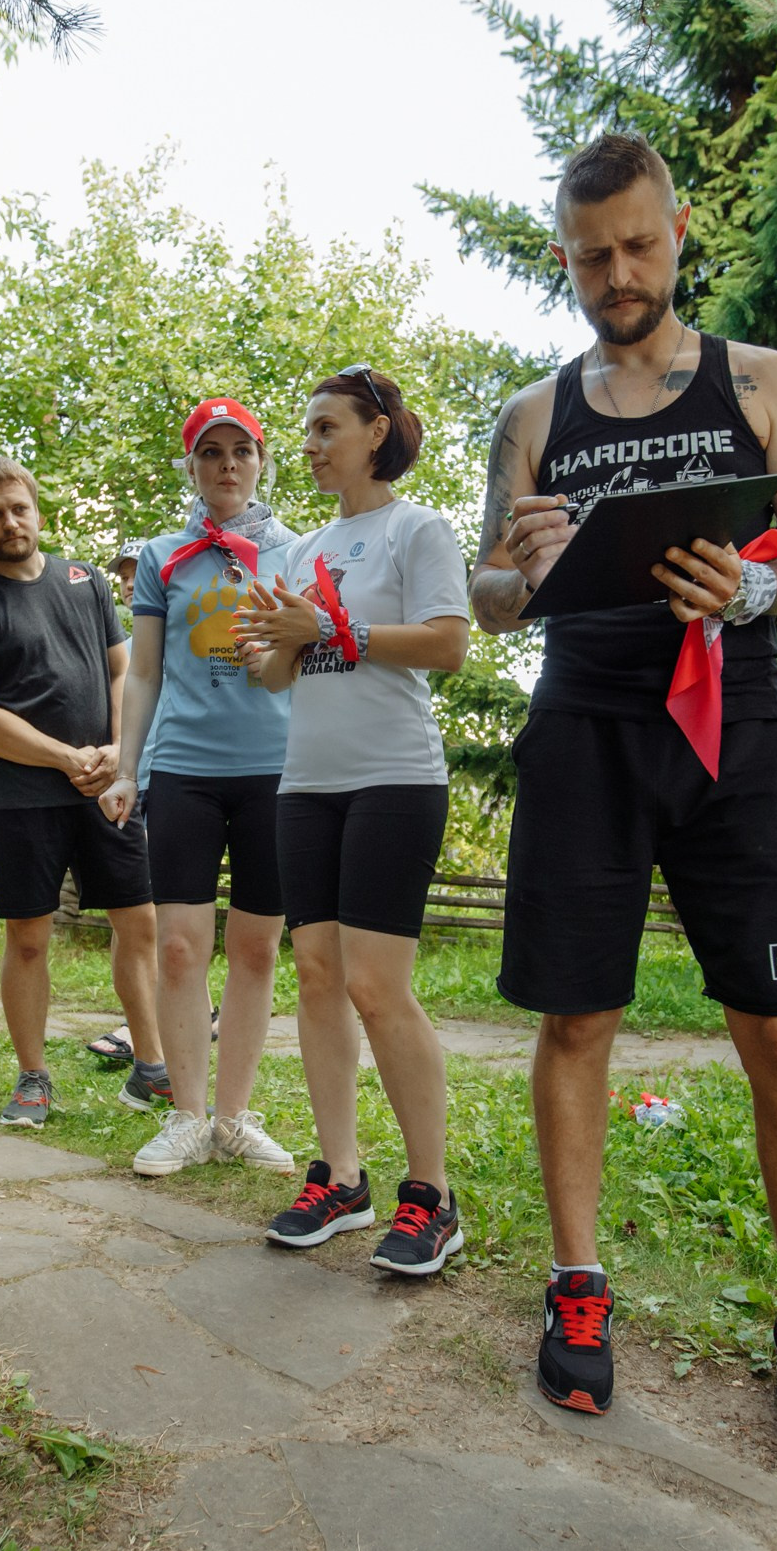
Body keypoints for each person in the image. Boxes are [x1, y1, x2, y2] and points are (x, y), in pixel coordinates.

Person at [467, 132, 777, 1465]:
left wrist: (756, 582)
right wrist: (519, 571)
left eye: (640, 246)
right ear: (564, 257)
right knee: (578, 1016)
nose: (619, 274)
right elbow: (481, 592)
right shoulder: (533, 414)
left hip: (732, 719)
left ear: (679, 229)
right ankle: (578, 1284)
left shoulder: (759, 380)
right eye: (593, 256)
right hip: (585, 723)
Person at [235, 367, 470, 1276]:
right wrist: (273, 644)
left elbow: (449, 642)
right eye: (305, 431)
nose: (310, 445)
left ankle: (432, 1196)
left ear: (377, 432)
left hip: (394, 779)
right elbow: (275, 675)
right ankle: (339, 1176)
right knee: (318, 975)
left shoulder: (417, 529)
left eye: (326, 426)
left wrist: (334, 632)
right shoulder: (298, 552)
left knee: (378, 985)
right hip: (307, 783)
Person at [100, 398, 300, 1177]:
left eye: (240, 451)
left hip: (275, 770)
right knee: (180, 946)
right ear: (191, 465)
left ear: (260, 461)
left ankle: (234, 1118)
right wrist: (126, 767)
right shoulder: (162, 556)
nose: (227, 466)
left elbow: (315, 658)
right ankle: (185, 1114)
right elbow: (143, 671)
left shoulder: (295, 549)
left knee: (256, 946)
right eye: (210, 452)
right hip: (182, 767)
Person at [0, 455, 163, 1127]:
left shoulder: (86, 580)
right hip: (23, 797)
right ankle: (33, 1078)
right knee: (29, 938)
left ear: (36, 509)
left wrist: (117, 754)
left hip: (106, 789)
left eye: (17, 507)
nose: (9, 522)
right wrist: (68, 757)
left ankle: (151, 1067)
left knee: (141, 924)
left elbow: (124, 672)